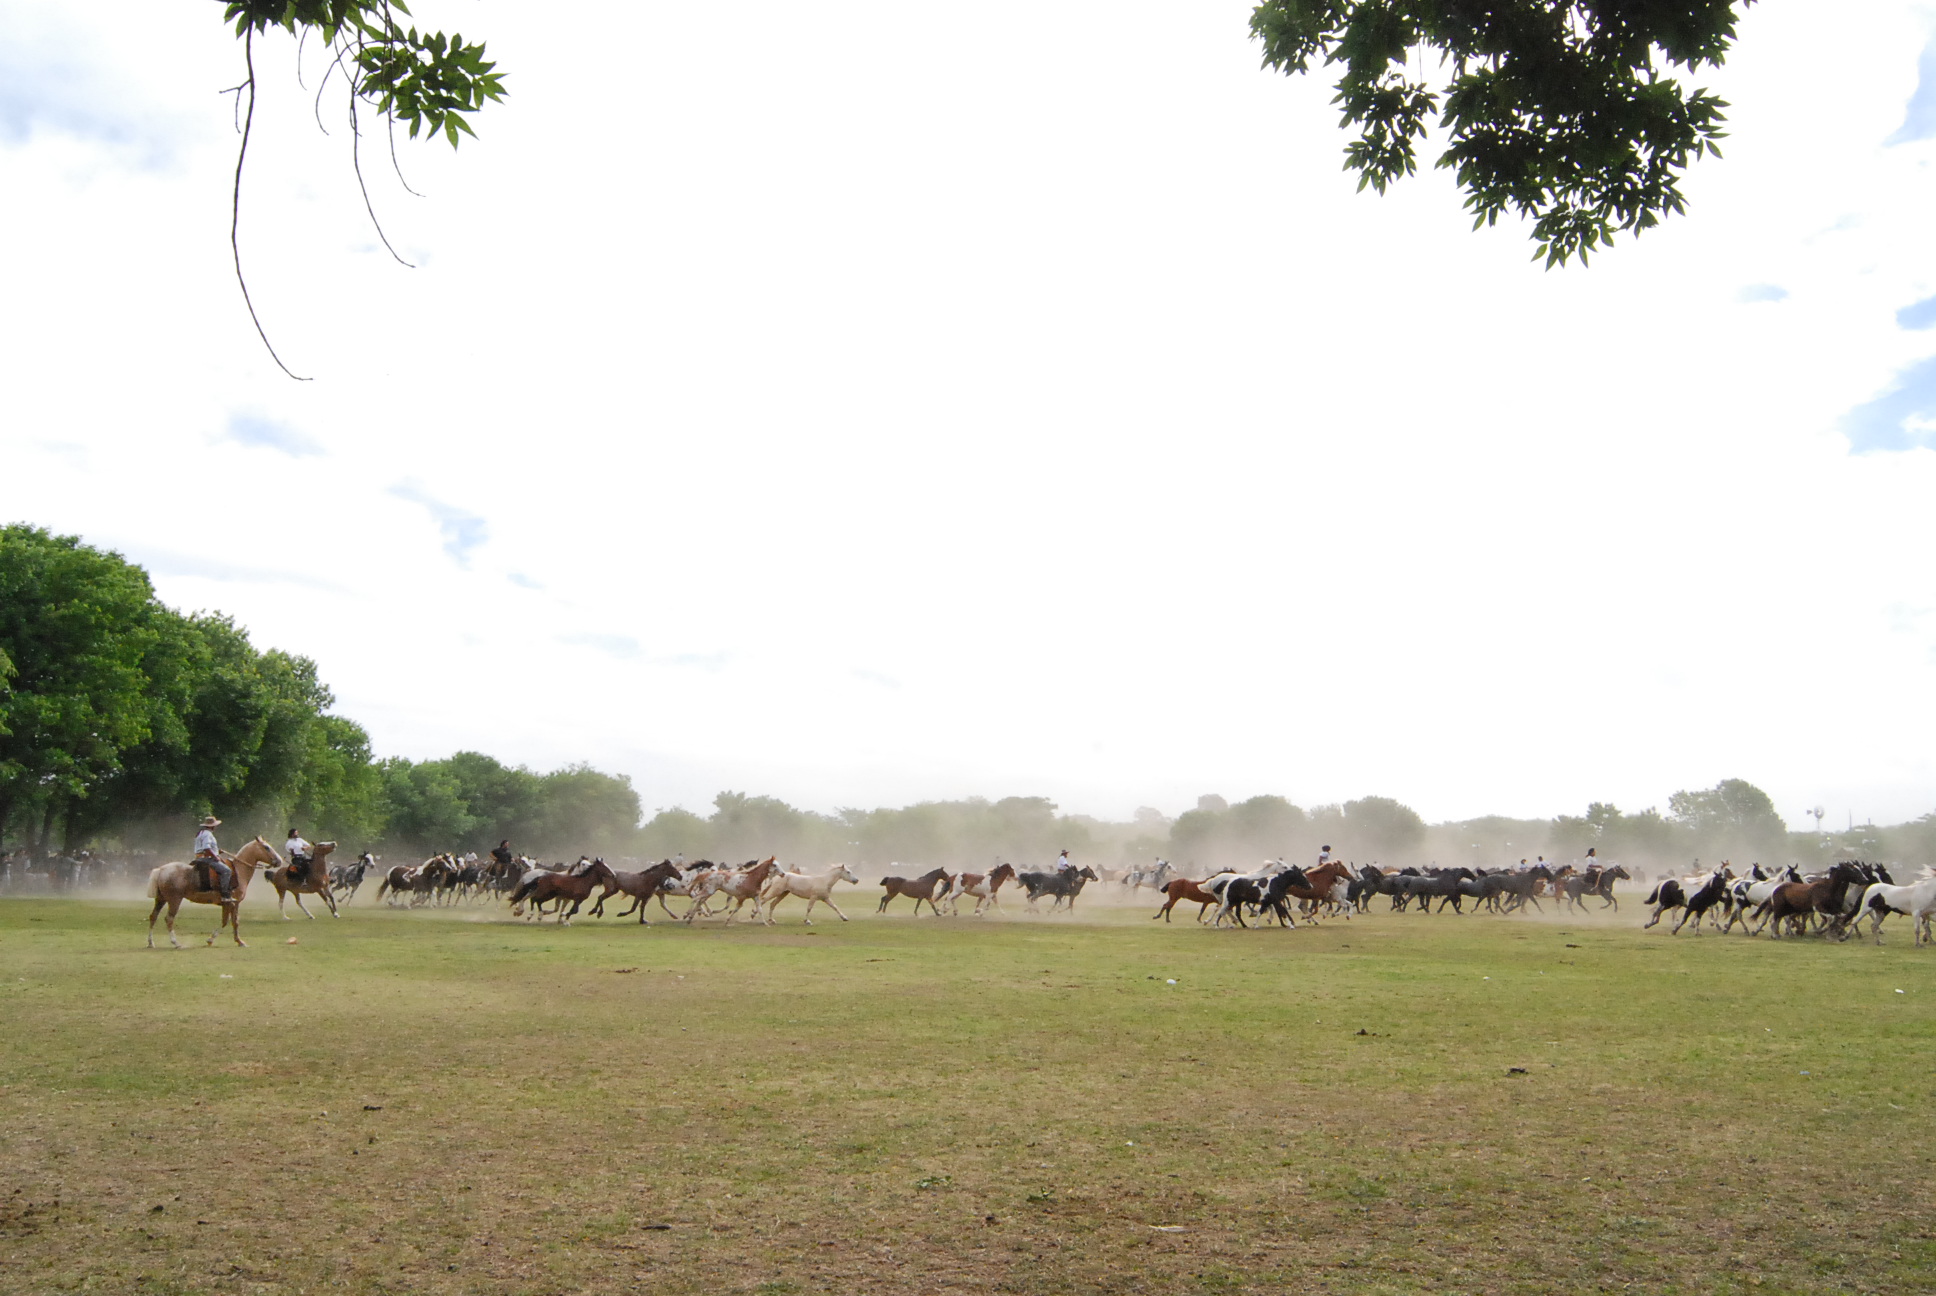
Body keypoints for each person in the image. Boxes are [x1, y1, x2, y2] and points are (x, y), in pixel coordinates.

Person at [194, 815, 236, 902]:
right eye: (215, 826)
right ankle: (225, 895)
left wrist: (216, 851)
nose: (216, 827)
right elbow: (206, 848)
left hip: (200, 857)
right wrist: (215, 856)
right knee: (226, 871)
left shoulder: (201, 833)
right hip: (207, 859)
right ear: (212, 826)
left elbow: (204, 848)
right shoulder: (208, 834)